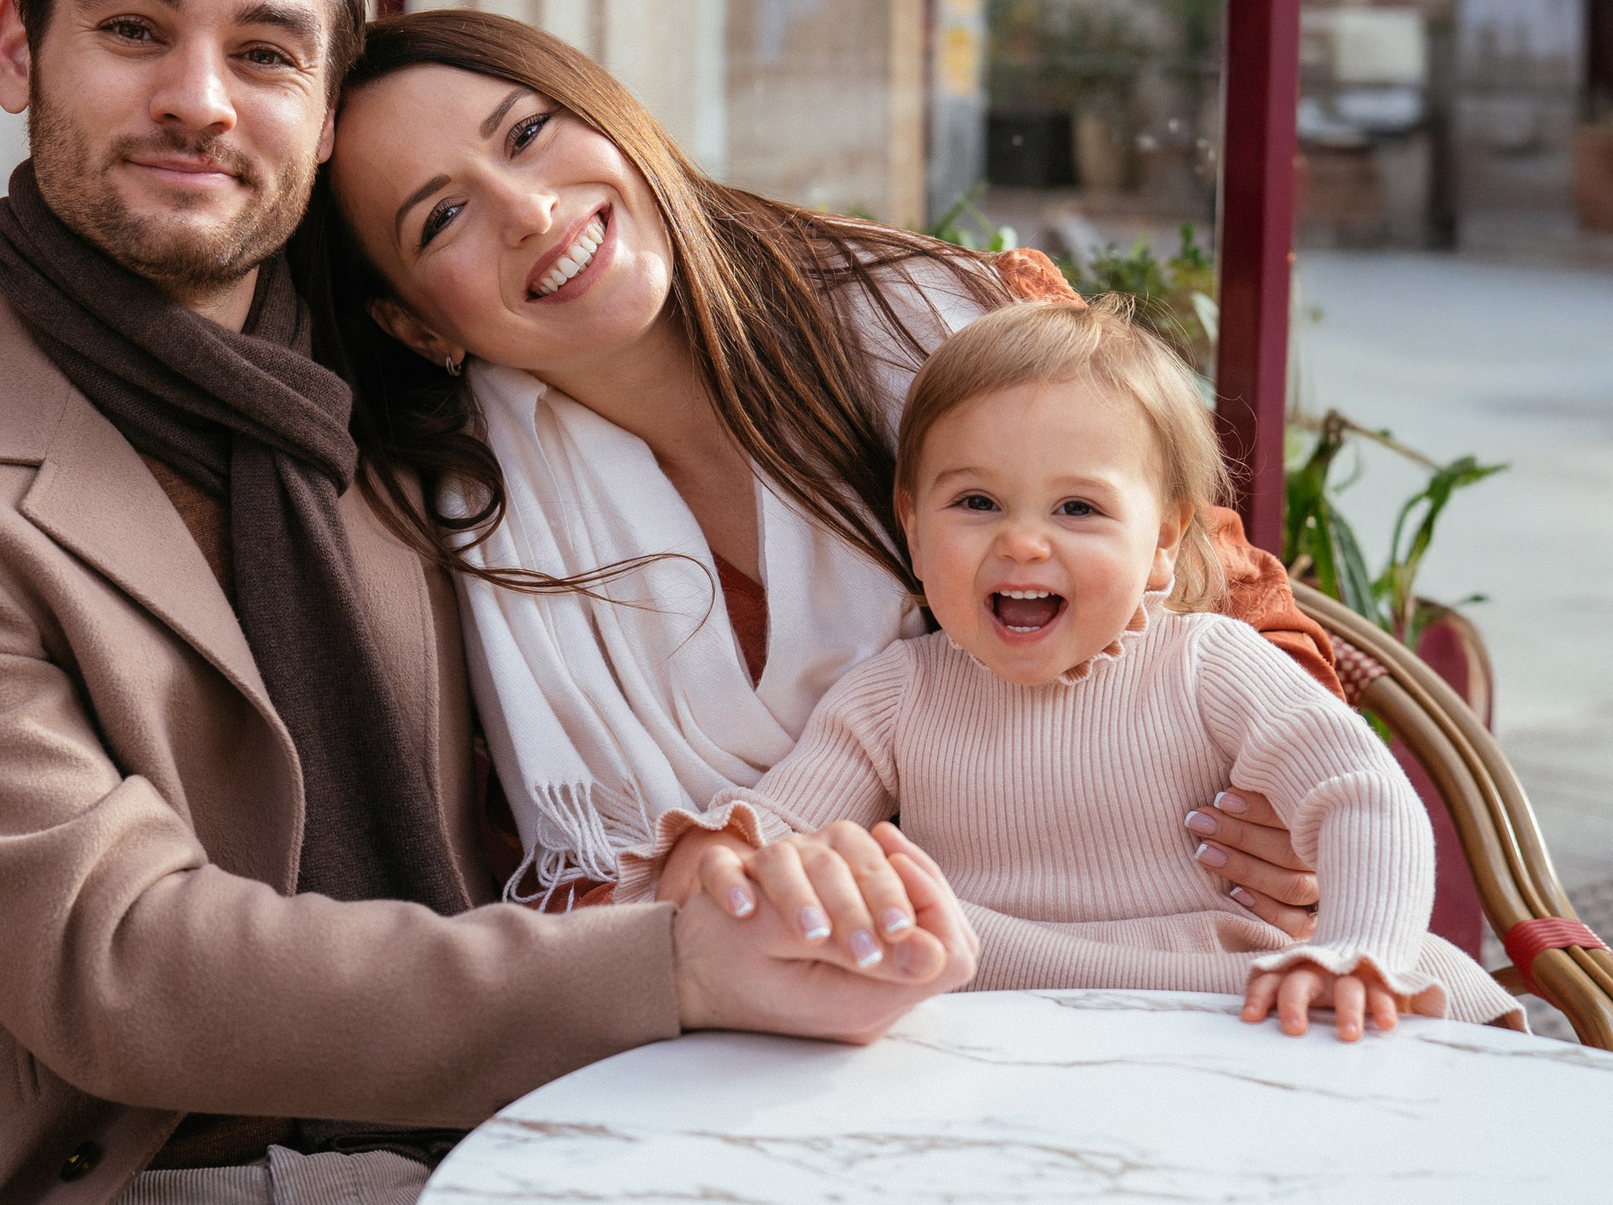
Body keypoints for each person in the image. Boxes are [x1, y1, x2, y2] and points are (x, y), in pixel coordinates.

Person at [0, 0, 978, 1205]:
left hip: (488, 1110)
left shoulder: (381, 406)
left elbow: (626, 290)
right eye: (135, 28)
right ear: (22, 47)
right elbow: (124, 964)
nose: (199, 98)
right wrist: (672, 961)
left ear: (323, 120)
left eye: (265, 53)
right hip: (113, 1161)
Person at [309, 9, 1343, 953]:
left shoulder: (946, 321)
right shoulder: (455, 536)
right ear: (412, 322)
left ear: (613, 119)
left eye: (527, 133)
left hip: (1160, 948)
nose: (529, 210)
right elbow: (560, 893)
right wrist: (722, 890)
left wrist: (1279, 819)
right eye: (440, 217)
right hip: (799, 1019)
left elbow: (1235, 607)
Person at [638, 297, 1519, 1038]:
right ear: (912, 525)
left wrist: (1356, 947)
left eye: (1079, 507)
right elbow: (781, 828)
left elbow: (1361, 790)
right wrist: (726, 856)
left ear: (1164, 541)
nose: (1024, 539)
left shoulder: (1208, 664)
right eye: (976, 501)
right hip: (998, 1025)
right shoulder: (894, 695)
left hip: (1232, 1010)